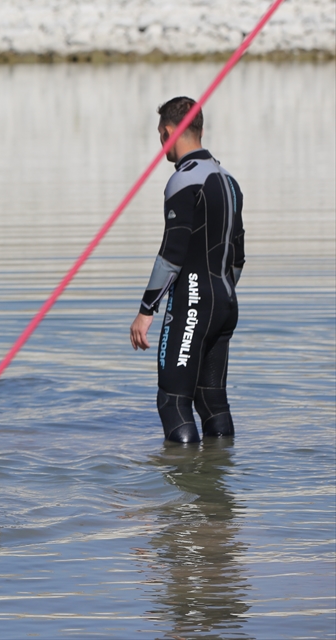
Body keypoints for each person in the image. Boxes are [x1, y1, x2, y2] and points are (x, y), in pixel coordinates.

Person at [130, 96, 245, 443]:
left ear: (169, 132)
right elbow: (237, 256)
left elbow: (172, 254)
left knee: (173, 401)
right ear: (200, 130)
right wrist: (218, 295)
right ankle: (217, 491)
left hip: (192, 305)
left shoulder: (183, 180)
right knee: (212, 401)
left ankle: (181, 491)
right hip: (225, 303)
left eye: (160, 135)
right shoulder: (229, 180)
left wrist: (146, 310)